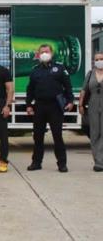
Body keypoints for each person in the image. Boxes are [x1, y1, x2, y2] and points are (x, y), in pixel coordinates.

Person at [26, 44, 74, 173]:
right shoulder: (35, 70)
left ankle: (62, 164)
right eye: (41, 52)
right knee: (38, 136)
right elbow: (30, 89)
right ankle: (36, 162)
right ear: (38, 54)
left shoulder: (59, 68)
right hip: (40, 106)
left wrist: (70, 101)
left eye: (46, 52)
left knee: (57, 136)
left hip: (55, 107)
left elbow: (68, 86)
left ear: (51, 53)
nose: (44, 54)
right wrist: (29, 105)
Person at [78, 52, 103, 172]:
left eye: (101, 59)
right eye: (97, 59)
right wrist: (81, 104)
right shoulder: (90, 74)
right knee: (95, 133)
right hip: (93, 105)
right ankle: (98, 162)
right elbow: (83, 90)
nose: (99, 61)